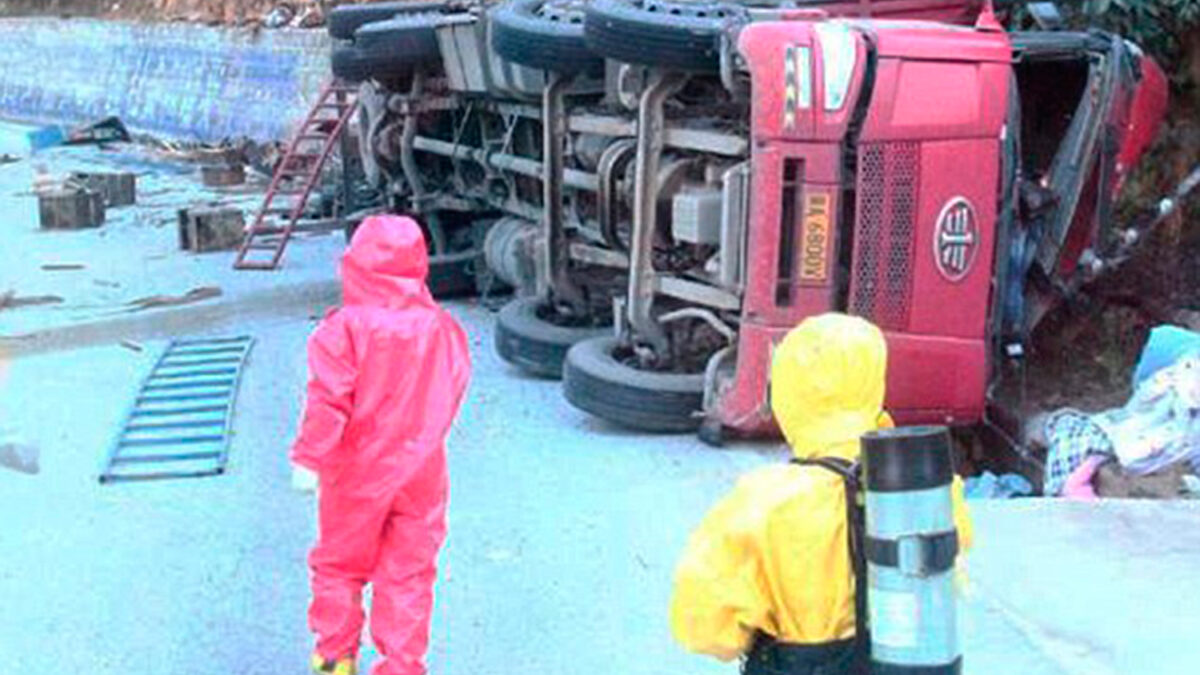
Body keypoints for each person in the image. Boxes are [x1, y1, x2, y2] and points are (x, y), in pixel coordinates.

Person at [669, 313, 972, 674]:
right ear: (873, 385)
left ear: (788, 394)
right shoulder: (925, 491)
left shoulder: (761, 502)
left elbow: (706, 631)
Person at [291, 215, 471, 675]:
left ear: (355, 264)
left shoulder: (342, 330)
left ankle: (335, 659)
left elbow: (328, 401)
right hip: (423, 473)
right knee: (409, 572)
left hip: (356, 472)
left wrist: (311, 459)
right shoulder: (441, 327)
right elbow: (452, 387)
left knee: (339, 566)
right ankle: (403, 665)